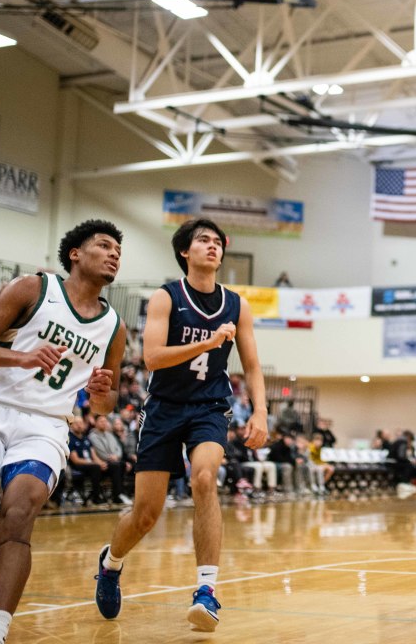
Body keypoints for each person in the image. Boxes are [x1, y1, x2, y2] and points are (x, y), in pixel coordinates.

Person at [0, 220, 126, 644]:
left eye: (119, 250)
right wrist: (22, 358)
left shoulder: (115, 327)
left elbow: (106, 400)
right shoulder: (34, 288)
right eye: (104, 245)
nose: (114, 254)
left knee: (18, 517)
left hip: (46, 427)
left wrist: (99, 394)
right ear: (75, 254)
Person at [95, 218, 267, 633]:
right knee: (145, 516)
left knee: (205, 479)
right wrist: (207, 343)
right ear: (185, 252)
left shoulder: (236, 304)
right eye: (203, 240)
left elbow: (254, 365)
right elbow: (152, 357)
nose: (212, 246)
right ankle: (110, 562)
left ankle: (206, 591)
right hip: (164, 409)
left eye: (217, 242)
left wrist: (260, 412)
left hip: (209, 406)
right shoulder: (165, 297)